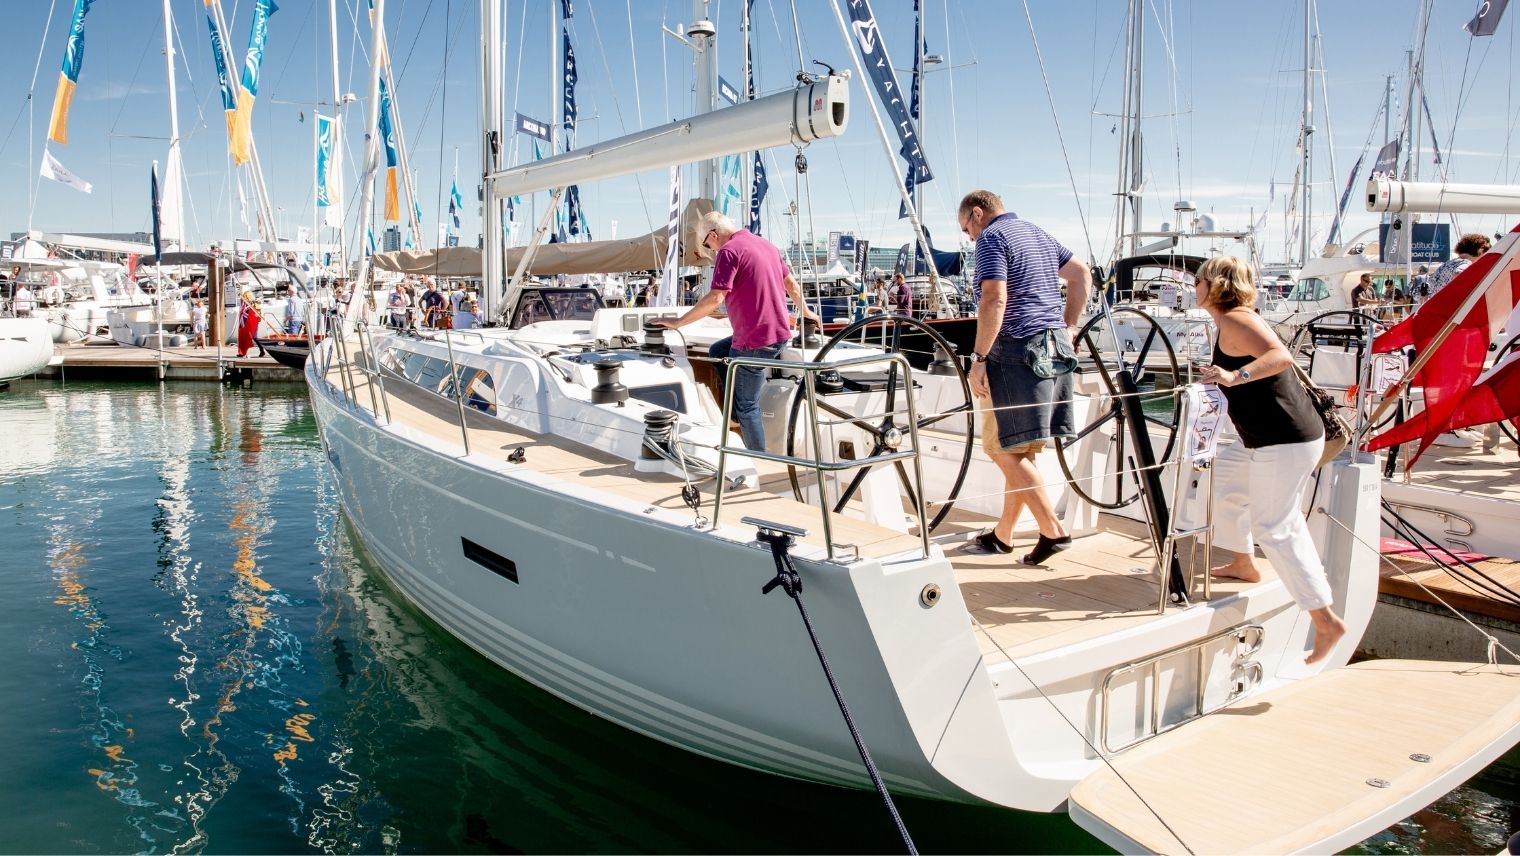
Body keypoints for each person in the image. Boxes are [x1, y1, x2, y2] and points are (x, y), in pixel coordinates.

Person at [1195, 255, 1346, 665]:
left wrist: (1232, 377)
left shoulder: (1236, 321)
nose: (1194, 286)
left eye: (1198, 280)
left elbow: (1280, 357)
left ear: (1215, 285)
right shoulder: (1232, 321)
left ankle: (1324, 618)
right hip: (1261, 438)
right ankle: (1244, 563)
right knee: (1227, 483)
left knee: (1276, 526)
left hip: (1284, 439)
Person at [957, 189, 1089, 565]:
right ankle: (1004, 535)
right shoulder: (1037, 232)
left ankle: (1053, 530)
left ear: (978, 214)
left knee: (1001, 449)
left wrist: (979, 358)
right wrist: (1070, 327)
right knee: (1022, 450)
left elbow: (994, 299)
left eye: (966, 228)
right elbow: (1081, 274)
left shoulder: (992, 239)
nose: (969, 237)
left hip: (1014, 353)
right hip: (1054, 351)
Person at [650, 211, 819, 451]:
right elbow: (790, 284)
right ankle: (734, 412)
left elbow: (716, 298)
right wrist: (807, 312)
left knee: (748, 407)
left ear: (714, 234)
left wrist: (678, 323)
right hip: (779, 334)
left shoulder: (729, 251)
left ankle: (758, 456)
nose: (710, 249)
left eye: (707, 244)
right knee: (718, 350)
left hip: (755, 341)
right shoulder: (766, 245)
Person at [237, 289, 266, 358]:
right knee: (249, 337)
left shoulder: (255, 304)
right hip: (249, 323)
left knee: (253, 337)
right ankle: (243, 352)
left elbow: (258, 314)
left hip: (253, 323)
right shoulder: (247, 304)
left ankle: (262, 350)